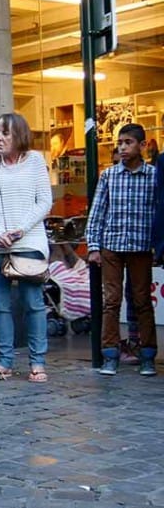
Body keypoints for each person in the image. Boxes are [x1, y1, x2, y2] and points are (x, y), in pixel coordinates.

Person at [0, 113, 52, 383]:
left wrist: (19, 229)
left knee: (33, 303)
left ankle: (37, 362)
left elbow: (44, 202)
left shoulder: (35, 161)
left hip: (28, 242)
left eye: (5, 133)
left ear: (18, 135)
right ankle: (4, 361)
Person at [86, 123, 159, 377]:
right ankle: (110, 354)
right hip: (112, 247)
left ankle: (147, 354)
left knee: (141, 301)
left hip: (140, 246)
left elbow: (158, 212)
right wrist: (94, 246)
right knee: (111, 301)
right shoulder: (109, 176)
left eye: (128, 142)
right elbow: (97, 213)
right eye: (120, 143)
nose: (123, 147)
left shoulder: (153, 176)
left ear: (142, 145)